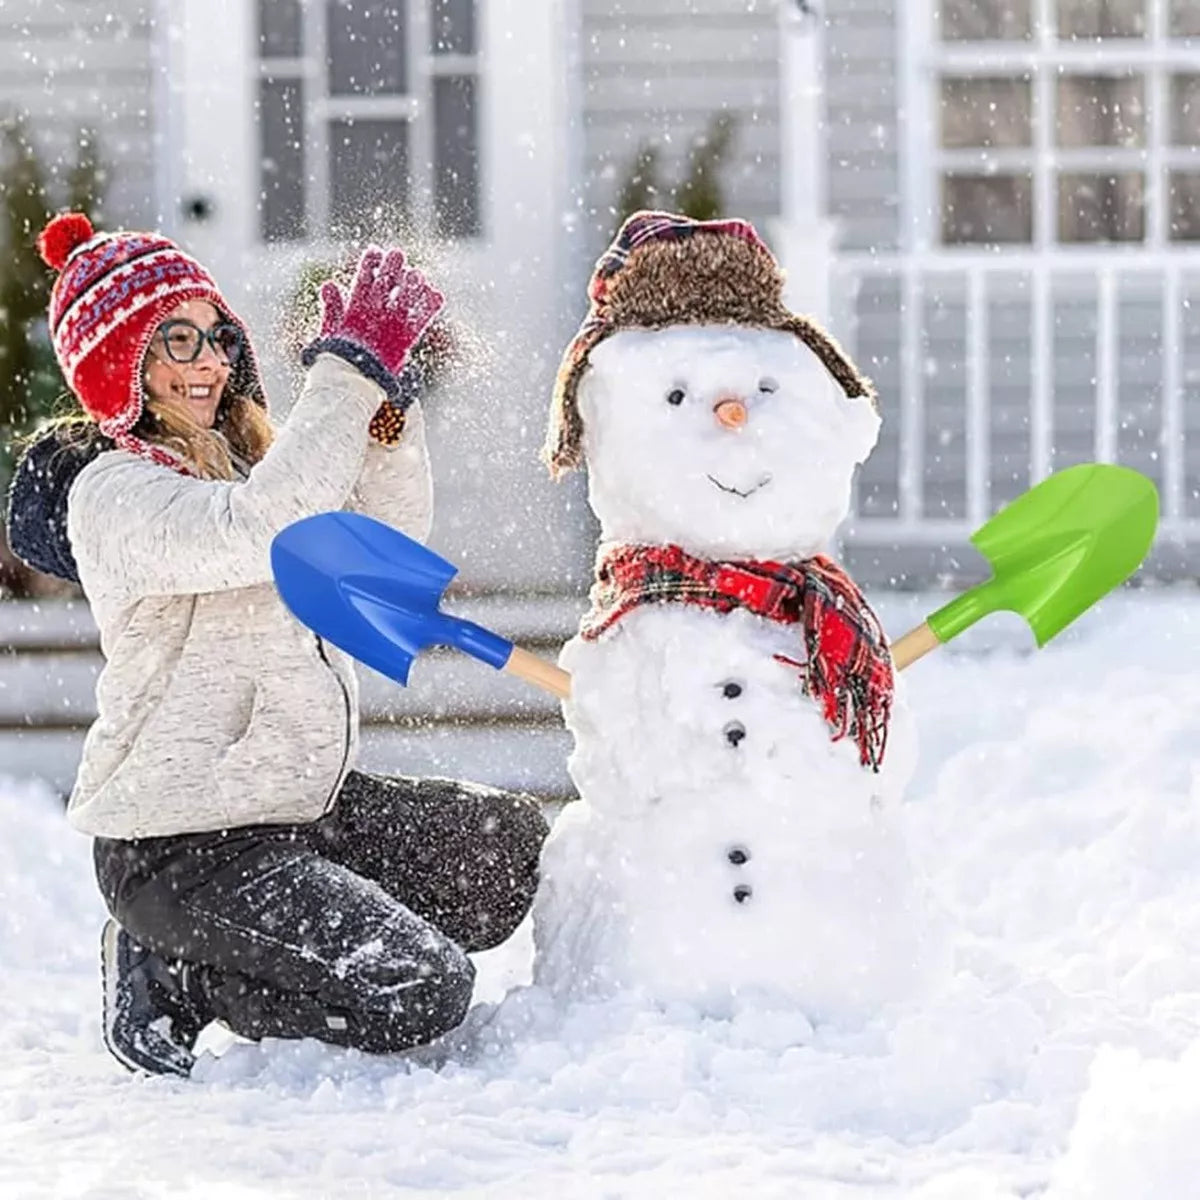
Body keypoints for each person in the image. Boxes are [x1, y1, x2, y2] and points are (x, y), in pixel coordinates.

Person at [3, 213, 549, 1078]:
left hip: (297, 806)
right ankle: (175, 975)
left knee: (505, 851)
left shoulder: (249, 467)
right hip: (181, 847)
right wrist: (343, 376)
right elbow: (266, 529)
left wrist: (382, 420)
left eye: (217, 335)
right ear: (120, 365)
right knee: (417, 989)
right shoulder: (114, 495)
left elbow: (384, 559)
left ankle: (276, 936)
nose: (210, 362)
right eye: (176, 339)